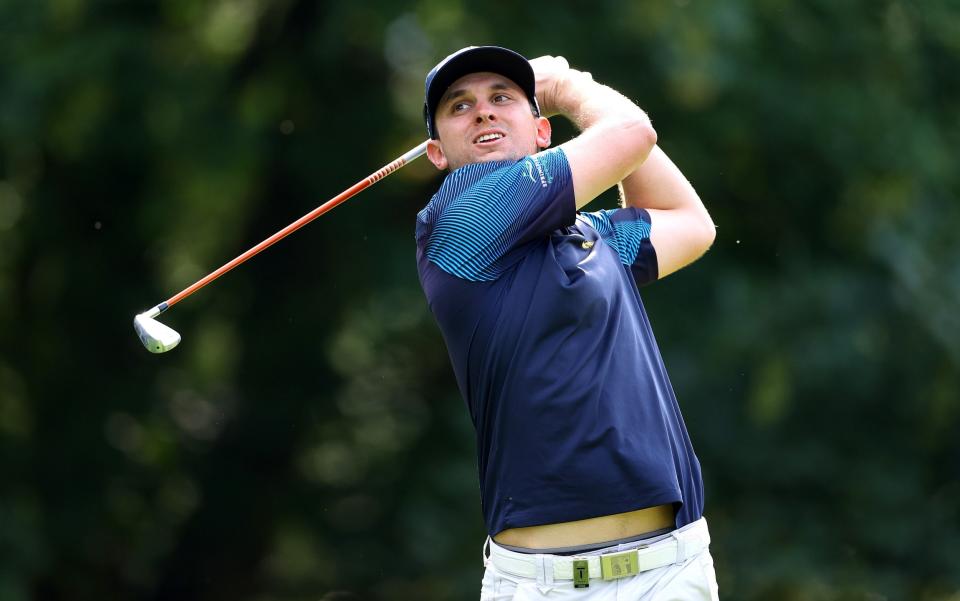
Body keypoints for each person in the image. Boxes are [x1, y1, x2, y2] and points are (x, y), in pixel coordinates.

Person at [415, 45, 719, 600]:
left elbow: (692, 225)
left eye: (501, 98)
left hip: (672, 570)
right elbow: (631, 133)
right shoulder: (462, 217)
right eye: (459, 106)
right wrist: (566, 88)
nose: (482, 111)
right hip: (542, 586)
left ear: (541, 134)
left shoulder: (590, 237)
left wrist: (586, 121)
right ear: (436, 154)